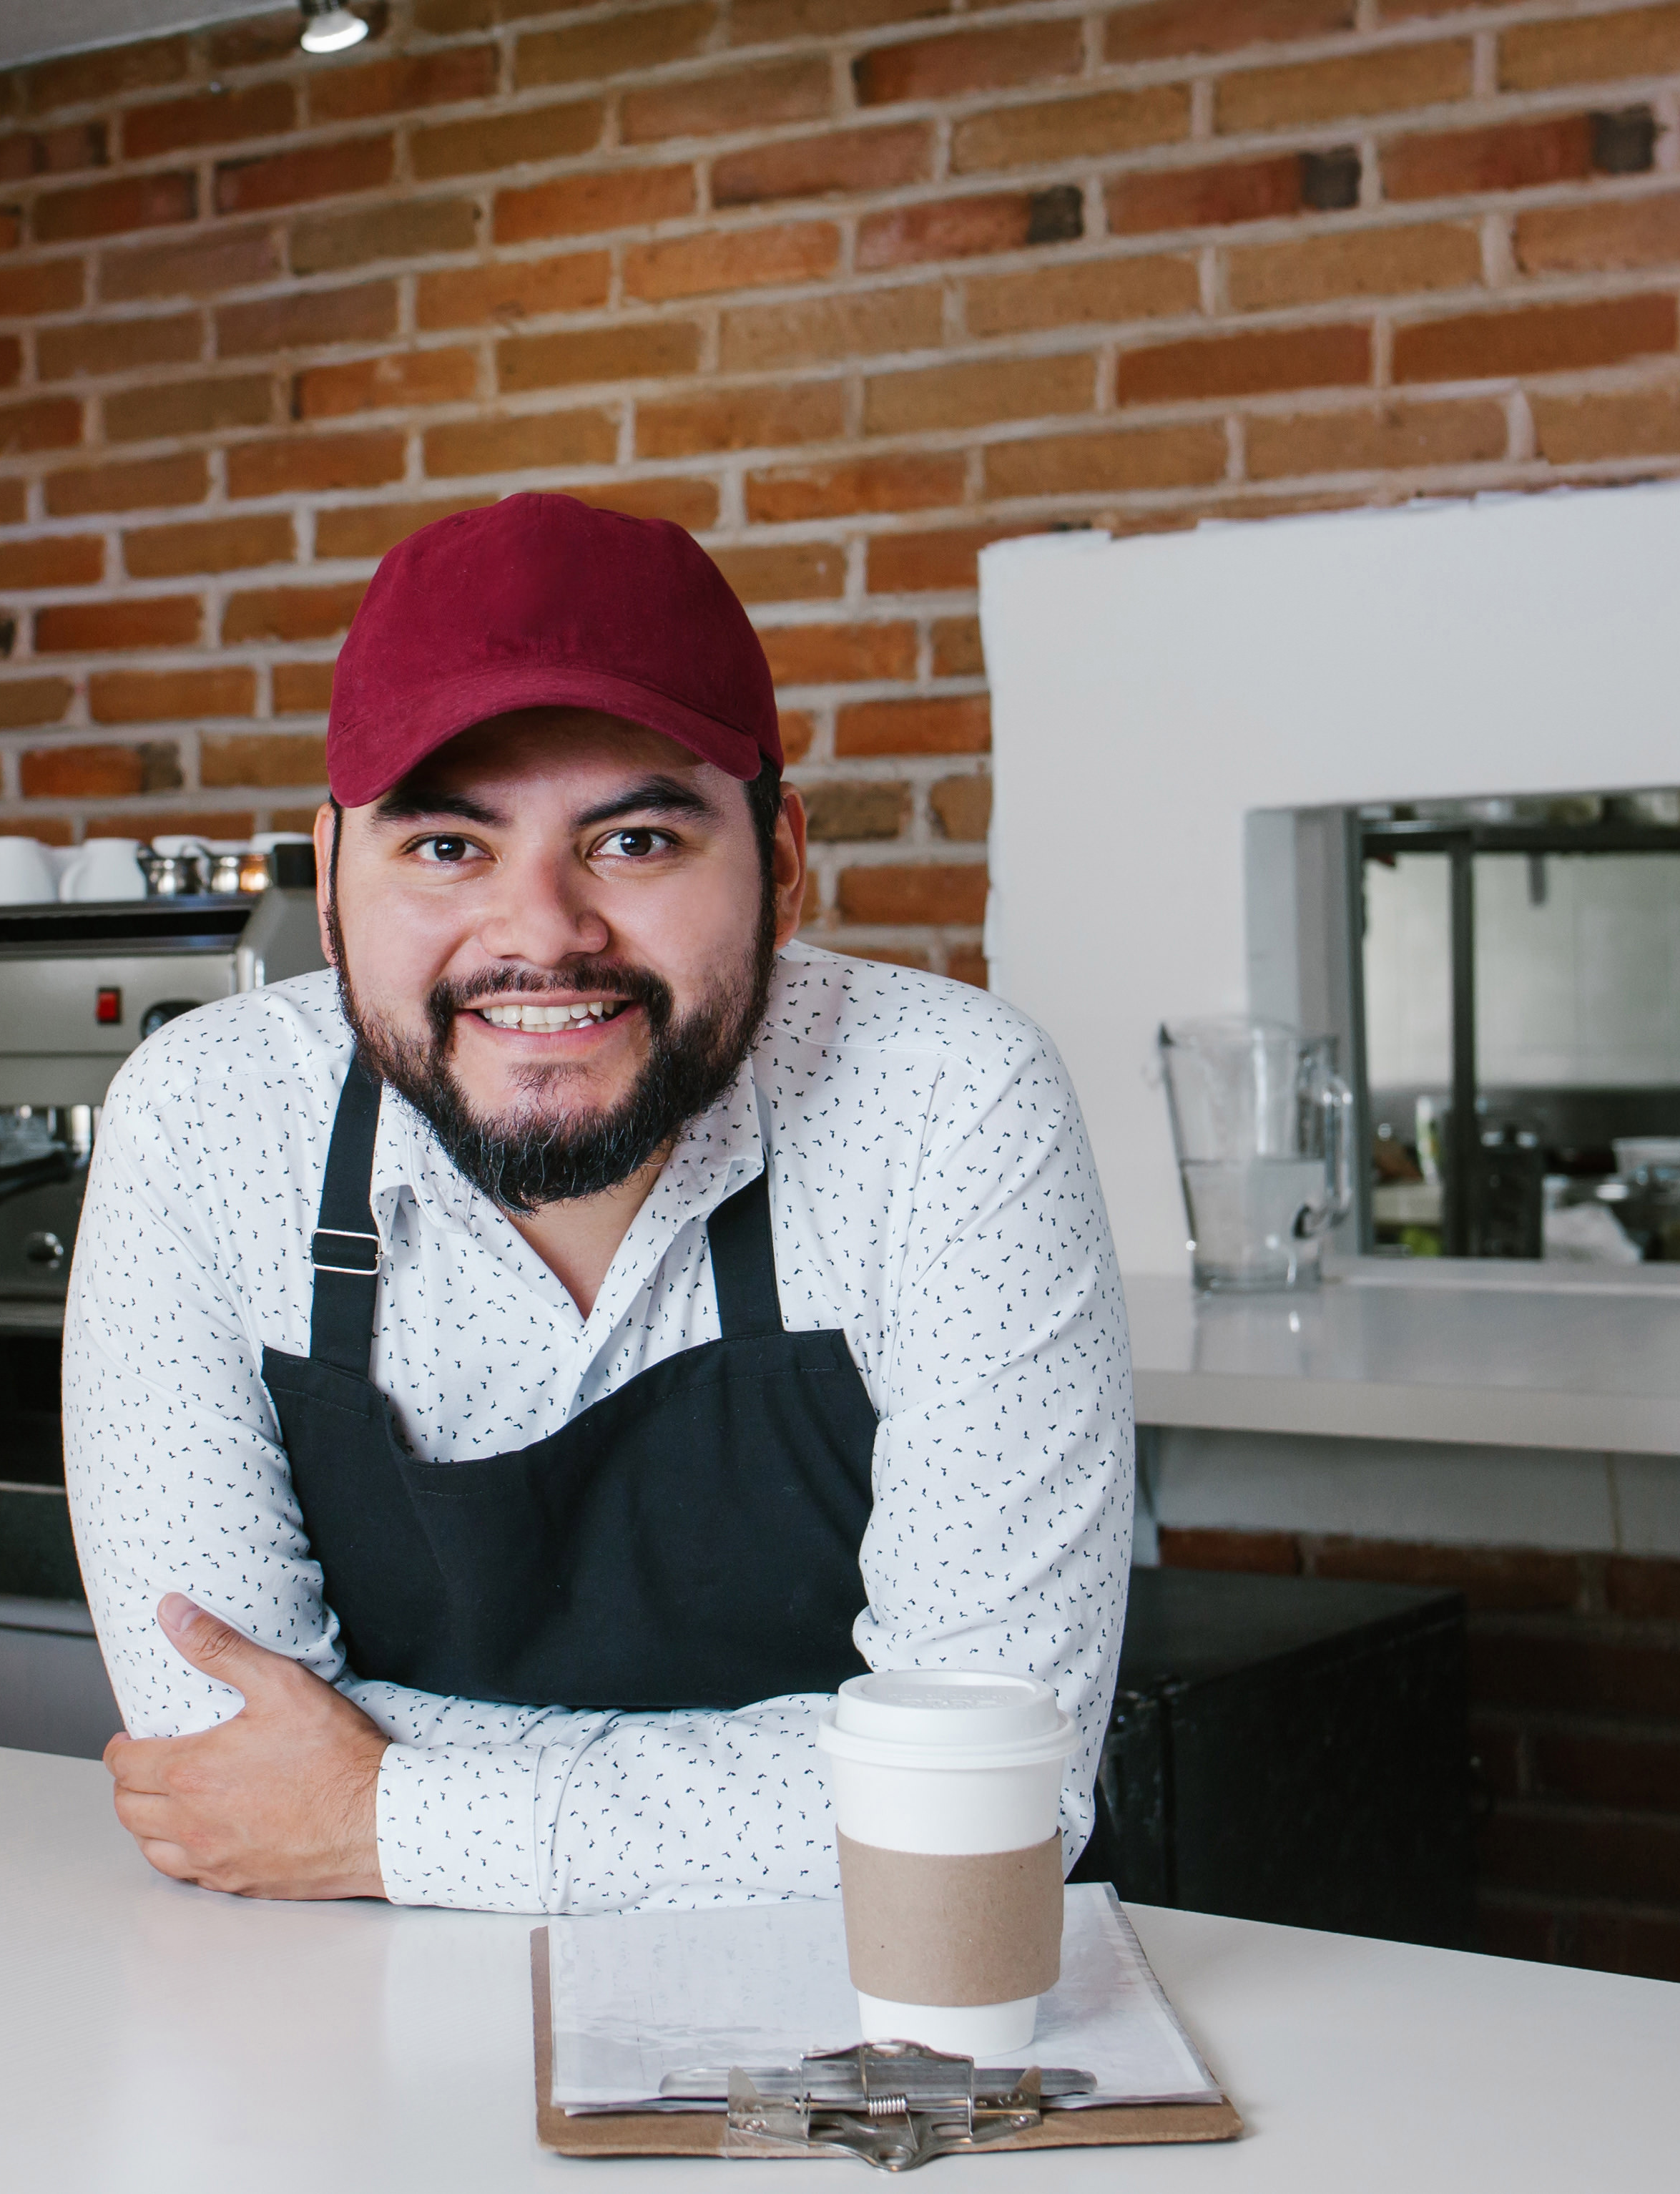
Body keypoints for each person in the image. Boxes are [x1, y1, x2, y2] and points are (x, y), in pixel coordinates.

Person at [62, 493, 1132, 1914]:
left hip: (886, 2024)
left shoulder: (947, 1105)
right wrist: (820, 1786)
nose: (542, 932)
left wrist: (373, 1811)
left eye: (633, 842)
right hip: (338, 2026)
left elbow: (996, 1794)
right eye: (447, 847)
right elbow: (218, 1756)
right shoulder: (204, 1120)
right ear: (327, 884)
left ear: (784, 863)